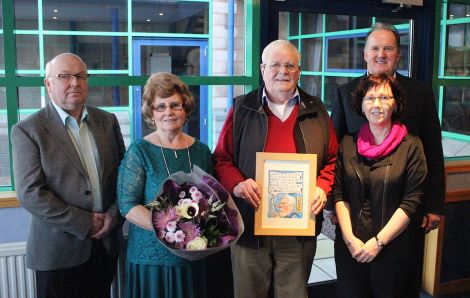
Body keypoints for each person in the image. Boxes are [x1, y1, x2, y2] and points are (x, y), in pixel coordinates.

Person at [214, 39, 338, 298]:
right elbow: (222, 159)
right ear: (262, 69)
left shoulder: (317, 111)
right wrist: (238, 184)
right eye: (276, 65)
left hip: (298, 232)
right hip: (249, 226)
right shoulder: (241, 108)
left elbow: (331, 160)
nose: (283, 71)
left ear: (299, 71)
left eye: (290, 65)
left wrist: (321, 187)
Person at [331, 23, 445, 294]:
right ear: (365, 54)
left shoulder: (420, 92)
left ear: (398, 55)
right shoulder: (345, 92)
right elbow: (334, 150)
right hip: (356, 206)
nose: (381, 54)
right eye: (375, 48)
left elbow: (433, 150)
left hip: (403, 208)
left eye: (388, 48)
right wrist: (333, 205)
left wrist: (435, 204)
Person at [11, 53, 126, 298]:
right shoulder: (28, 130)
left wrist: (114, 216)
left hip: (104, 246)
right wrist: (85, 223)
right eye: (65, 76)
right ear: (48, 83)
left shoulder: (107, 121)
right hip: (57, 253)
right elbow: (30, 193)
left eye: (81, 76)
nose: (75, 82)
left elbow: (123, 178)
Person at [117, 72, 232, 298]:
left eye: (174, 105)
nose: (168, 112)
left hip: (193, 256)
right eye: (160, 106)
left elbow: (213, 201)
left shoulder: (200, 151)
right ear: (151, 112)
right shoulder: (140, 152)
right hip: (151, 258)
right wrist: (169, 230)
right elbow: (127, 204)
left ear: (185, 108)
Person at [333, 74, 427, 298]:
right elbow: (339, 194)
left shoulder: (412, 146)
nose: (376, 104)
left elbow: (411, 201)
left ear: (395, 104)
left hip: (393, 248)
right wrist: (349, 239)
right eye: (370, 98)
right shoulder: (347, 143)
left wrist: (379, 242)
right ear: (361, 105)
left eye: (384, 97)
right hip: (351, 248)